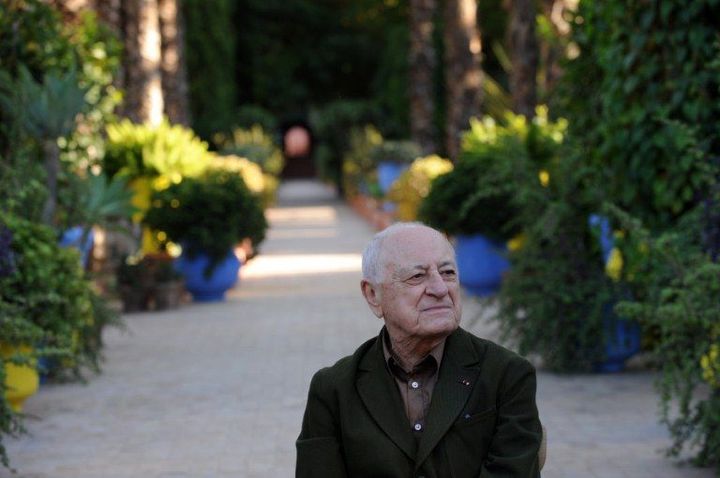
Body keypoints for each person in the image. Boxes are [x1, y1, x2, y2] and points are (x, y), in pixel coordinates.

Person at [296, 222, 543, 477]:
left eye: (447, 273)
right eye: (417, 276)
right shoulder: (334, 388)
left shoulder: (506, 375)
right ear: (373, 295)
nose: (439, 289)